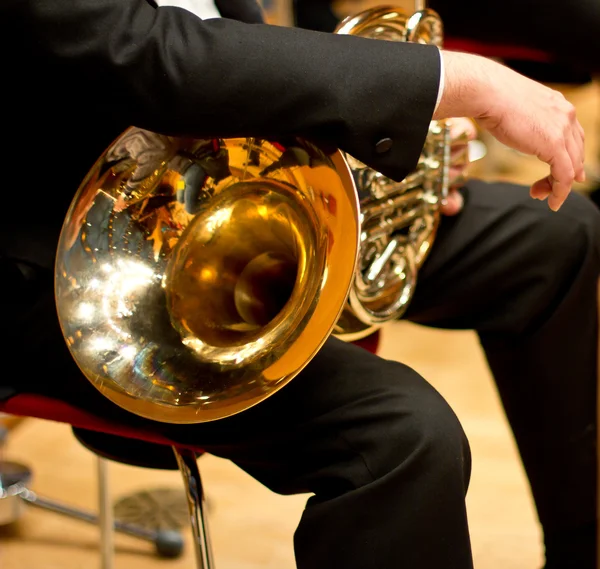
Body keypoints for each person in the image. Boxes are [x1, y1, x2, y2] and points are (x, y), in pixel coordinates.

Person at [0, 1, 595, 568]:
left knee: (556, 237)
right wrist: (442, 83)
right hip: (59, 246)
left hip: (223, 171)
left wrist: (389, 131)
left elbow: (223, 35)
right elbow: (141, 52)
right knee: (403, 438)